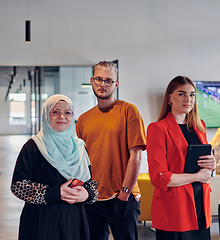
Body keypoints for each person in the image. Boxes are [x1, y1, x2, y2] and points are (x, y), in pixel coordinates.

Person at [11, 94, 98, 240]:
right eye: (55, 111)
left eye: (67, 112)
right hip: (42, 221)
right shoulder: (33, 147)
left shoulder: (80, 147)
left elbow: (91, 182)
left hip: (75, 221)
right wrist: (54, 192)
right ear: (46, 115)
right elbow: (18, 186)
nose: (62, 116)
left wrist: (88, 194)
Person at [76, 61, 147, 240]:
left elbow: (136, 157)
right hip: (92, 198)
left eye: (108, 81)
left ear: (116, 84)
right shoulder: (84, 119)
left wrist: (124, 195)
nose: (103, 84)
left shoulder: (129, 111)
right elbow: (80, 161)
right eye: (99, 79)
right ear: (92, 81)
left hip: (122, 196)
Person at [146, 76, 216, 240]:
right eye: (182, 94)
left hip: (201, 206)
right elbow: (159, 177)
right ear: (169, 98)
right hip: (176, 210)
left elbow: (204, 162)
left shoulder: (200, 126)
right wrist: (198, 176)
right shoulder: (158, 129)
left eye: (192, 95)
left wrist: (212, 164)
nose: (188, 99)